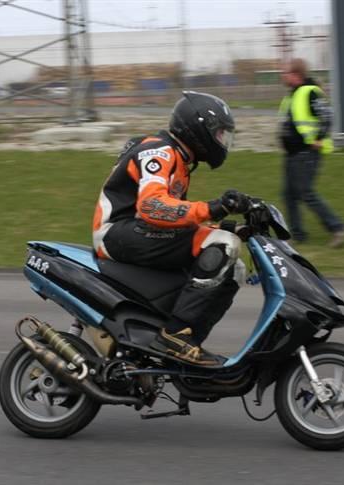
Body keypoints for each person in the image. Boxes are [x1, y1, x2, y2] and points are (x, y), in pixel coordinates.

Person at [92, 91, 249, 366]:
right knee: (222, 245)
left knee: (234, 268)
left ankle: (189, 342)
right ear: (198, 129)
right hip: (117, 232)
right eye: (220, 134)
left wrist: (229, 226)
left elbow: (176, 219)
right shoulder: (160, 152)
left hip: (137, 230)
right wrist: (213, 208)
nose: (223, 142)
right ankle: (174, 336)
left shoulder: (180, 159)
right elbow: (152, 207)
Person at [279, 58, 344, 247]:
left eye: (285, 72)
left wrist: (319, 137)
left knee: (305, 193)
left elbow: (327, 115)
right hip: (292, 154)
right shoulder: (292, 95)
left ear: (295, 75)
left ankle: (338, 228)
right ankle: (297, 235)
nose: (282, 76)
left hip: (306, 152)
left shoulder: (310, 92)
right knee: (289, 194)